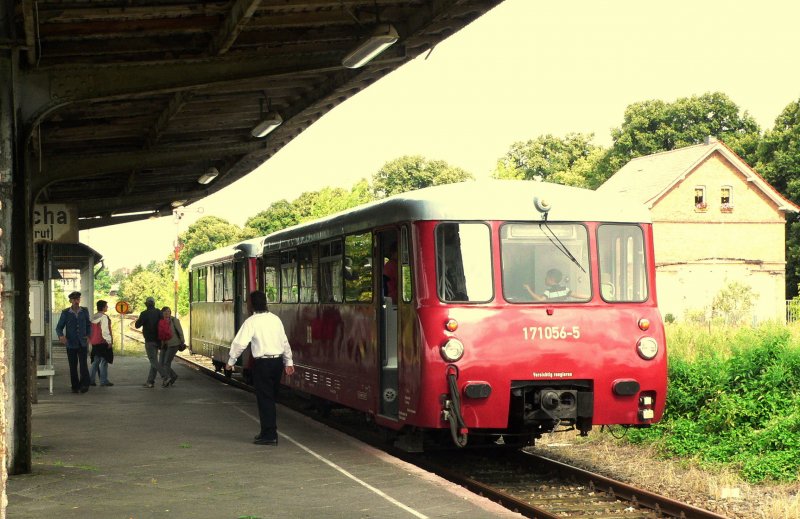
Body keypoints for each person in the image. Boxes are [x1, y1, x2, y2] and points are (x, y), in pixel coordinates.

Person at [225, 291, 294, 445]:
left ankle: (269, 435)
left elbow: (240, 343)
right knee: (270, 398)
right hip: (277, 364)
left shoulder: (252, 322)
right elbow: (284, 341)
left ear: (251, 304)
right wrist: (288, 362)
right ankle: (267, 431)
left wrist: (231, 361)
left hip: (263, 364)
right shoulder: (275, 319)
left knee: (265, 399)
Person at [55, 291, 92, 393]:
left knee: (83, 364)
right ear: (70, 301)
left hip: (82, 342)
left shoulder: (84, 311)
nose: (76, 301)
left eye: (78, 299)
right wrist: (61, 336)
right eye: (74, 299)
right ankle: (75, 386)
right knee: (73, 365)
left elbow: (88, 324)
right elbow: (59, 327)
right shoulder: (66, 313)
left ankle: (84, 385)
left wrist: (88, 335)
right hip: (71, 343)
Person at [135, 296, 169, 388]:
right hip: (158, 340)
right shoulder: (158, 312)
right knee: (154, 361)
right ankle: (150, 382)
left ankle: (165, 376)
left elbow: (137, 325)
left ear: (146, 304)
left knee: (153, 360)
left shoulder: (144, 313)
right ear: (154, 304)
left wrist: (140, 319)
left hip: (149, 341)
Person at [89, 300, 114, 387]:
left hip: (94, 341)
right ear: (103, 307)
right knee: (104, 361)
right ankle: (104, 381)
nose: (107, 307)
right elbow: (105, 330)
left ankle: (91, 380)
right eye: (106, 306)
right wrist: (109, 341)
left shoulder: (94, 316)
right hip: (102, 341)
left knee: (95, 361)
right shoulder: (104, 317)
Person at [158, 306, 185, 387]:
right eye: (165, 311)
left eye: (168, 311)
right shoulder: (160, 321)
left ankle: (166, 379)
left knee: (166, 362)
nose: (167, 313)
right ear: (162, 313)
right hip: (164, 344)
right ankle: (173, 376)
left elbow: (180, 331)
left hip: (174, 343)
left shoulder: (174, 320)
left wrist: (182, 341)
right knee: (161, 363)